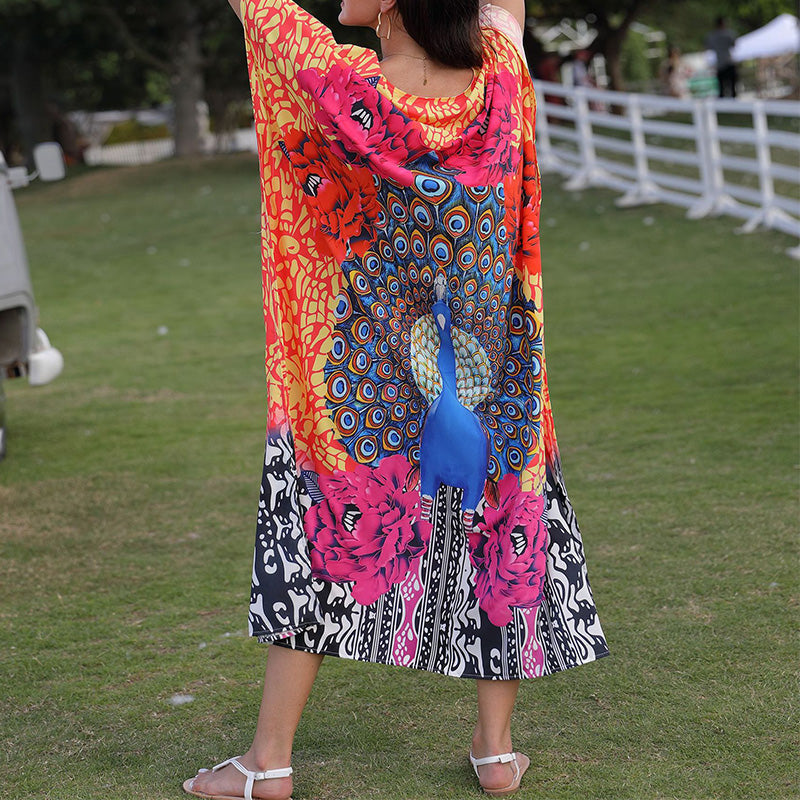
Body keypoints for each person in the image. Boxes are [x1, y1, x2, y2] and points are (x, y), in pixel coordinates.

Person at [183, 0, 609, 798]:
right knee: (498, 537)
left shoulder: (334, 80)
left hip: (363, 389)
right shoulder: (502, 75)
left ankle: (267, 762)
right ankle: (495, 752)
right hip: (487, 376)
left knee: (326, 536)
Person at [705, 16, 738, 98]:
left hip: (720, 64)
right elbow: (733, 44)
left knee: (722, 90)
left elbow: (708, 46)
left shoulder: (712, 36)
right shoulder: (729, 34)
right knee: (732, 88)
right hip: (727, 62)